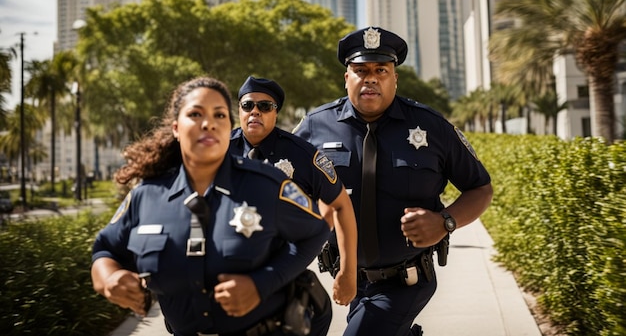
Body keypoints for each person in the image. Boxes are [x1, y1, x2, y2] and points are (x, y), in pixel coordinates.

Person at [91, 76, 332, 336]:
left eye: (219, 115)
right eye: (195, 114)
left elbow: (315, 231)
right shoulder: (147, 195)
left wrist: (262, 283)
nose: (209, 123)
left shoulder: (267, 186)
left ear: (229, 126)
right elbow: (105, 250)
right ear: (175, 128)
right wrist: (109, 279)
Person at [293, 27, 493, 336]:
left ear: (394, 78)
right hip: (346, 278)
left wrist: (445, 222)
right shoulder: (313, 128)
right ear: (347, 78)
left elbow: (480, 187)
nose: (370, 78)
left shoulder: (431, 127)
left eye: (380, 70)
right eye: (360, 70)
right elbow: (278, 191)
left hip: (407, 280)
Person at [230, 76, 358, 306]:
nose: (255, 112)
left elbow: (341, 204)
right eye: (248, 105)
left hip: (281, 270)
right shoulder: (219, 150)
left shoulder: (302, 154)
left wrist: (348, 272)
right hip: (227, 268)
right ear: (239, 110)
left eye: (265, 106)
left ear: (275, 112)